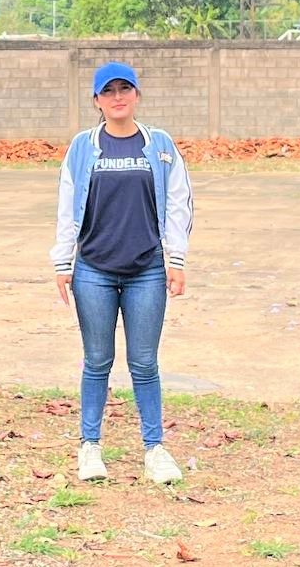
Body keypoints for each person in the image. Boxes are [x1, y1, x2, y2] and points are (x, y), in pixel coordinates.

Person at [50, 61, 194, 486]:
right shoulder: (82, 148)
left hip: (147, 270)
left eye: (124, 89)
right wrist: (62, 262)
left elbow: (178, 202)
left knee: (145, 362)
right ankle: (90, 446)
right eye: (108, 91)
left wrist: (177, 260)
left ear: (136, 95)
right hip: (93, 269)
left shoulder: (160, 145)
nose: (117, 97)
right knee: (97, 361)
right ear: (97, 100)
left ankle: (155, 449)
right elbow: (66, 205)